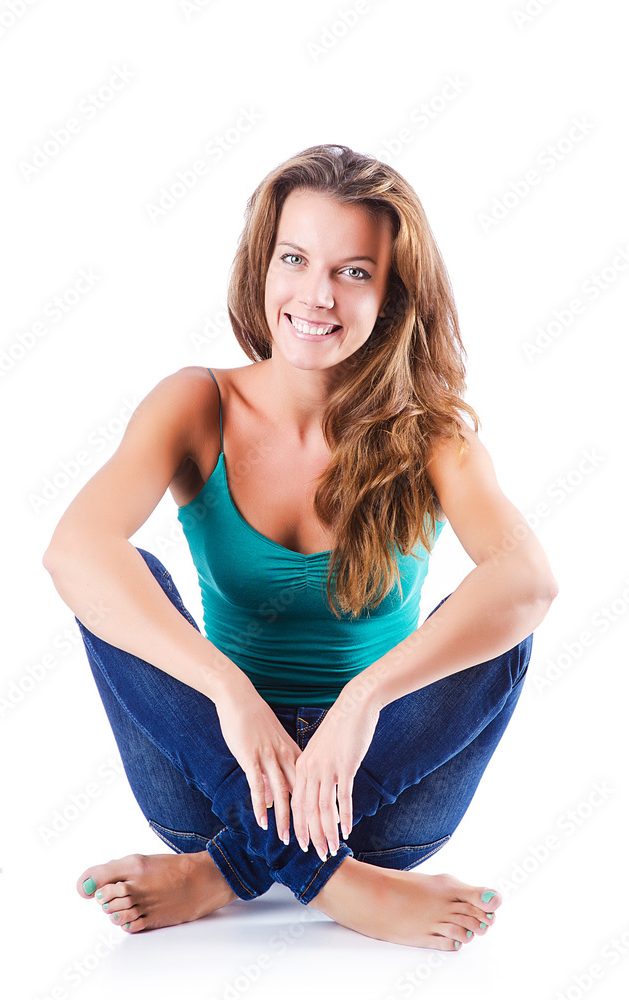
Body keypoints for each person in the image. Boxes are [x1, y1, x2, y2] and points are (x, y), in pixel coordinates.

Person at [43, 143, 558, 952]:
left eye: (354, 272)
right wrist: (232, 696)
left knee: (501, 620)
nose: (317, 296)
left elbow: (530, 581)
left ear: (392, 296)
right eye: (295, 259)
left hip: (379, 793)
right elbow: (71, 550)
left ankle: (224, 873)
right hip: (214, 774)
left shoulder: (432, 436)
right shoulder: (196, 402)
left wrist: (361, 704)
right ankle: (338, 885)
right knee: (117, 578)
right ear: (263, 268)